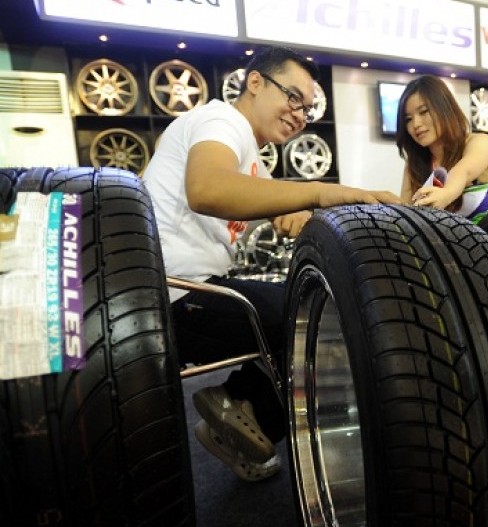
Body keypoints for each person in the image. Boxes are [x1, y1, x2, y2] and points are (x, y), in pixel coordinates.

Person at [142, 46, 399, 481]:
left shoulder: (248, 155)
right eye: (293, 97)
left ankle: (240, 426)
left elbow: (264, 201)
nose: (300, 115)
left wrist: (293, 209)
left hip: (188, 288)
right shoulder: (222, 120)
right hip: (175, 295)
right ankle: (241, 407)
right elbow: (207, 188)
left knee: (302, 304)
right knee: (319, 318)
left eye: (308, 108)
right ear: (255, 82)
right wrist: (320, 191)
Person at [396, 75, 488, 224]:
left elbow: (463, 171)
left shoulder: (480, 142)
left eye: (424, 111)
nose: (416, 124)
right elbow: (405, 214)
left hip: (487, 243)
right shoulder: (414, 164)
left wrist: (446, 193)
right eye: (408, 119)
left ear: (444, 108)